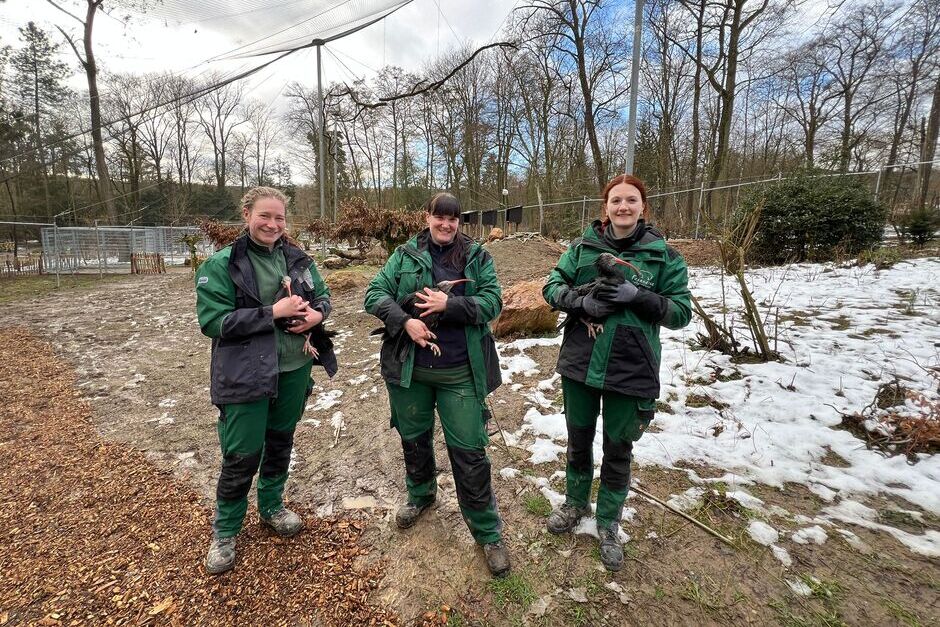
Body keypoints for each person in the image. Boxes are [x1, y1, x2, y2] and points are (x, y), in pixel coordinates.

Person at [542, 174, 691, 572]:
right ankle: (575, 504)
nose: (623, 207)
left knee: (618, 447)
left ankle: (608, 520)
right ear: (605, 206)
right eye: (616, 200)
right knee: (578, 439)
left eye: (631, 200)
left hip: (632, 366)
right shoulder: (581, 249)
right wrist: (579, 303)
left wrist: (639, 297)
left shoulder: (664, 256)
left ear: (643, 206)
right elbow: (551, 287)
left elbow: (681, 313)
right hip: (580, 362)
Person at [364, 192, 510, 577]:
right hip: (410, 369)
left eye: (453, 218)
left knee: (469, 450)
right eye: (439, 217)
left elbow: (494, 302)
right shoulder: (405, 255)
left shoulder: (476, 256)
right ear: (427, 216)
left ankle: (487, 531)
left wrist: (451, 306)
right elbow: (374, 294)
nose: (446, 224)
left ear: (460, 221)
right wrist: (404, 321)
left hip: (460, 372)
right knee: (413, 437)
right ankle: (421, 495)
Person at [195, 186, 337, 575]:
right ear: (246, 215)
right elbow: (213, 322)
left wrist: (316, 316)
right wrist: (272, 312)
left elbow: (323, 296)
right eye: (264, 216)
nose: (272, 224)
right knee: (241, 453)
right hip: (245, 374)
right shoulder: (223, 265)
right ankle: (225, 531)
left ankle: (271, 506)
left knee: (280, 441)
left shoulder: (298, 259)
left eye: (279, 218)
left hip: (293, 369)